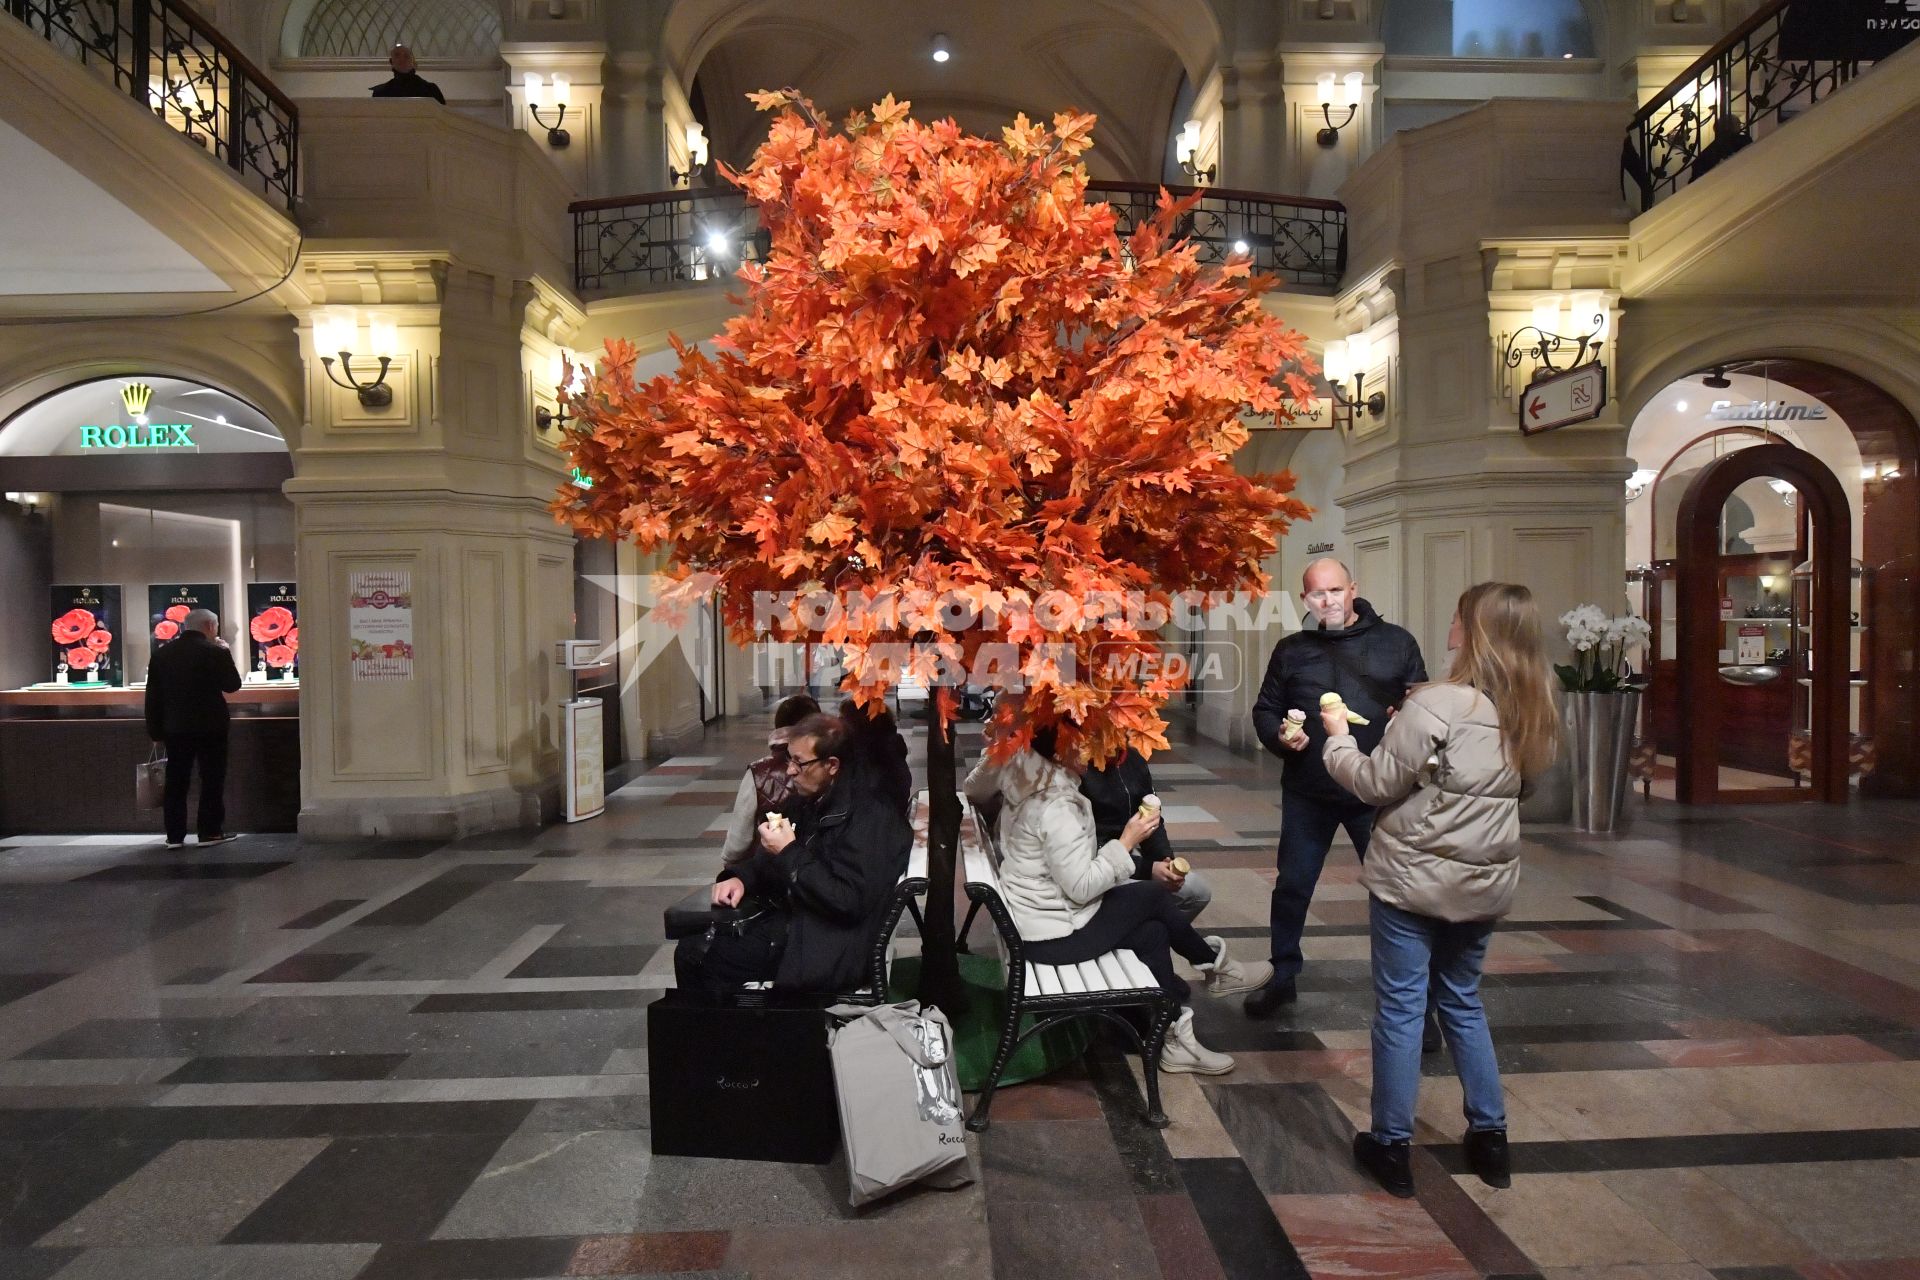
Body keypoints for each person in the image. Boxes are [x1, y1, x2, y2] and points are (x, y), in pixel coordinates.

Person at [1322, 582, 1560, 1198]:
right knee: (1462, 1001)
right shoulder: (1534, 708)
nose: (1450, 628)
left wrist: (1337, 739)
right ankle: (1490, 1137)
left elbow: (1375, 783)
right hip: (1484, 882)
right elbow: (1515, 792)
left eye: (1458, 618)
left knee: (1401, 1009)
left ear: (1474, 631)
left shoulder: (1440, 703)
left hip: (1413, 880)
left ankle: (1392, 1145)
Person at [963, 725, 1269, 1075]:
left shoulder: (1024, 770)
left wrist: (1003, 743)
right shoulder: (1059, 805)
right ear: (1060, 750)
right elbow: (1081, 886)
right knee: (1153, 896)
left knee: (1153, 931)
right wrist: (1126, 841)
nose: (1093, 752)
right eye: (1084, 742)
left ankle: (1173, 1035)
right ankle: (1217, 968)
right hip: (1052, 937)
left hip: (1038, 921)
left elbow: (976, 787)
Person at [1245, 557, 1427, 1018]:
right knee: (1293, 885)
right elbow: (1265, 709)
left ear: (1353, 590)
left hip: (1377, 791)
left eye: (1335, 591)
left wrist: (1404, 719)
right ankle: (1282, 977)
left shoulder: (1396, 643)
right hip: (1310, 790)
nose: (1326, 600)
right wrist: (1281, 737)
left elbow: (1423, 709)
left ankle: (1414, 1002)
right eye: (1316, 594)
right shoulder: (1291, 650)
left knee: (1395, 892)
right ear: (1305, 599)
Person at [675, 713, 911, 998]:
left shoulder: (869, 818)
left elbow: (847, 900)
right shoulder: (812, 799)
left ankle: (728, 1038)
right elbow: (769, 861)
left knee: (697, 955)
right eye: (789, 759)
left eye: (799, 763)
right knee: (698, 939)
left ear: (832, 765)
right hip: (805, 924)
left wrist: (789, 852)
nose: (789, 771)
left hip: (827, 947)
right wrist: (742, 878)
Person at [1079, 746, 1212, 924]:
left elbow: (1152, 819)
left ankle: (1152, 940)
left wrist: (1165, 862)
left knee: (1197, 892)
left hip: (1131, 859)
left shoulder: (1133, 758)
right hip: (1096, 867)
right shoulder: (1078, 768)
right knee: (1152, 900)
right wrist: (1148, 869)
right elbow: (1088, 851)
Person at [144, 608, 241, 850]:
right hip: (211, 726)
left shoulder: (162, 654)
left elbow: (152, 697)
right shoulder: (214, 651)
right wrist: (226, 651)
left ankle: (174, 836)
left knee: (176, 780)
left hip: (175, 728)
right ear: (209, 626)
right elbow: (232, 685)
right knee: (211, 778)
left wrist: (155, 732)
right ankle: (209, 832)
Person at [719, 694, 818, 866]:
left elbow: (737, 844)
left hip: (768, 869)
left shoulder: (759, 773)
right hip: (815, 867)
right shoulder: (829, 768)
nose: (792, 770)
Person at [840, 697, 913, 816]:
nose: (839, 721)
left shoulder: (868, 755)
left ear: (856, 722)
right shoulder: (889, 746)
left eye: (843, 718)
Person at [368, 45, 446, 104]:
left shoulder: (431, 90)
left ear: (414, 63)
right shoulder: (380, 92)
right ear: (391, 62)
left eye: (406, 56)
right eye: (397, 55)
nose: (402, 59)